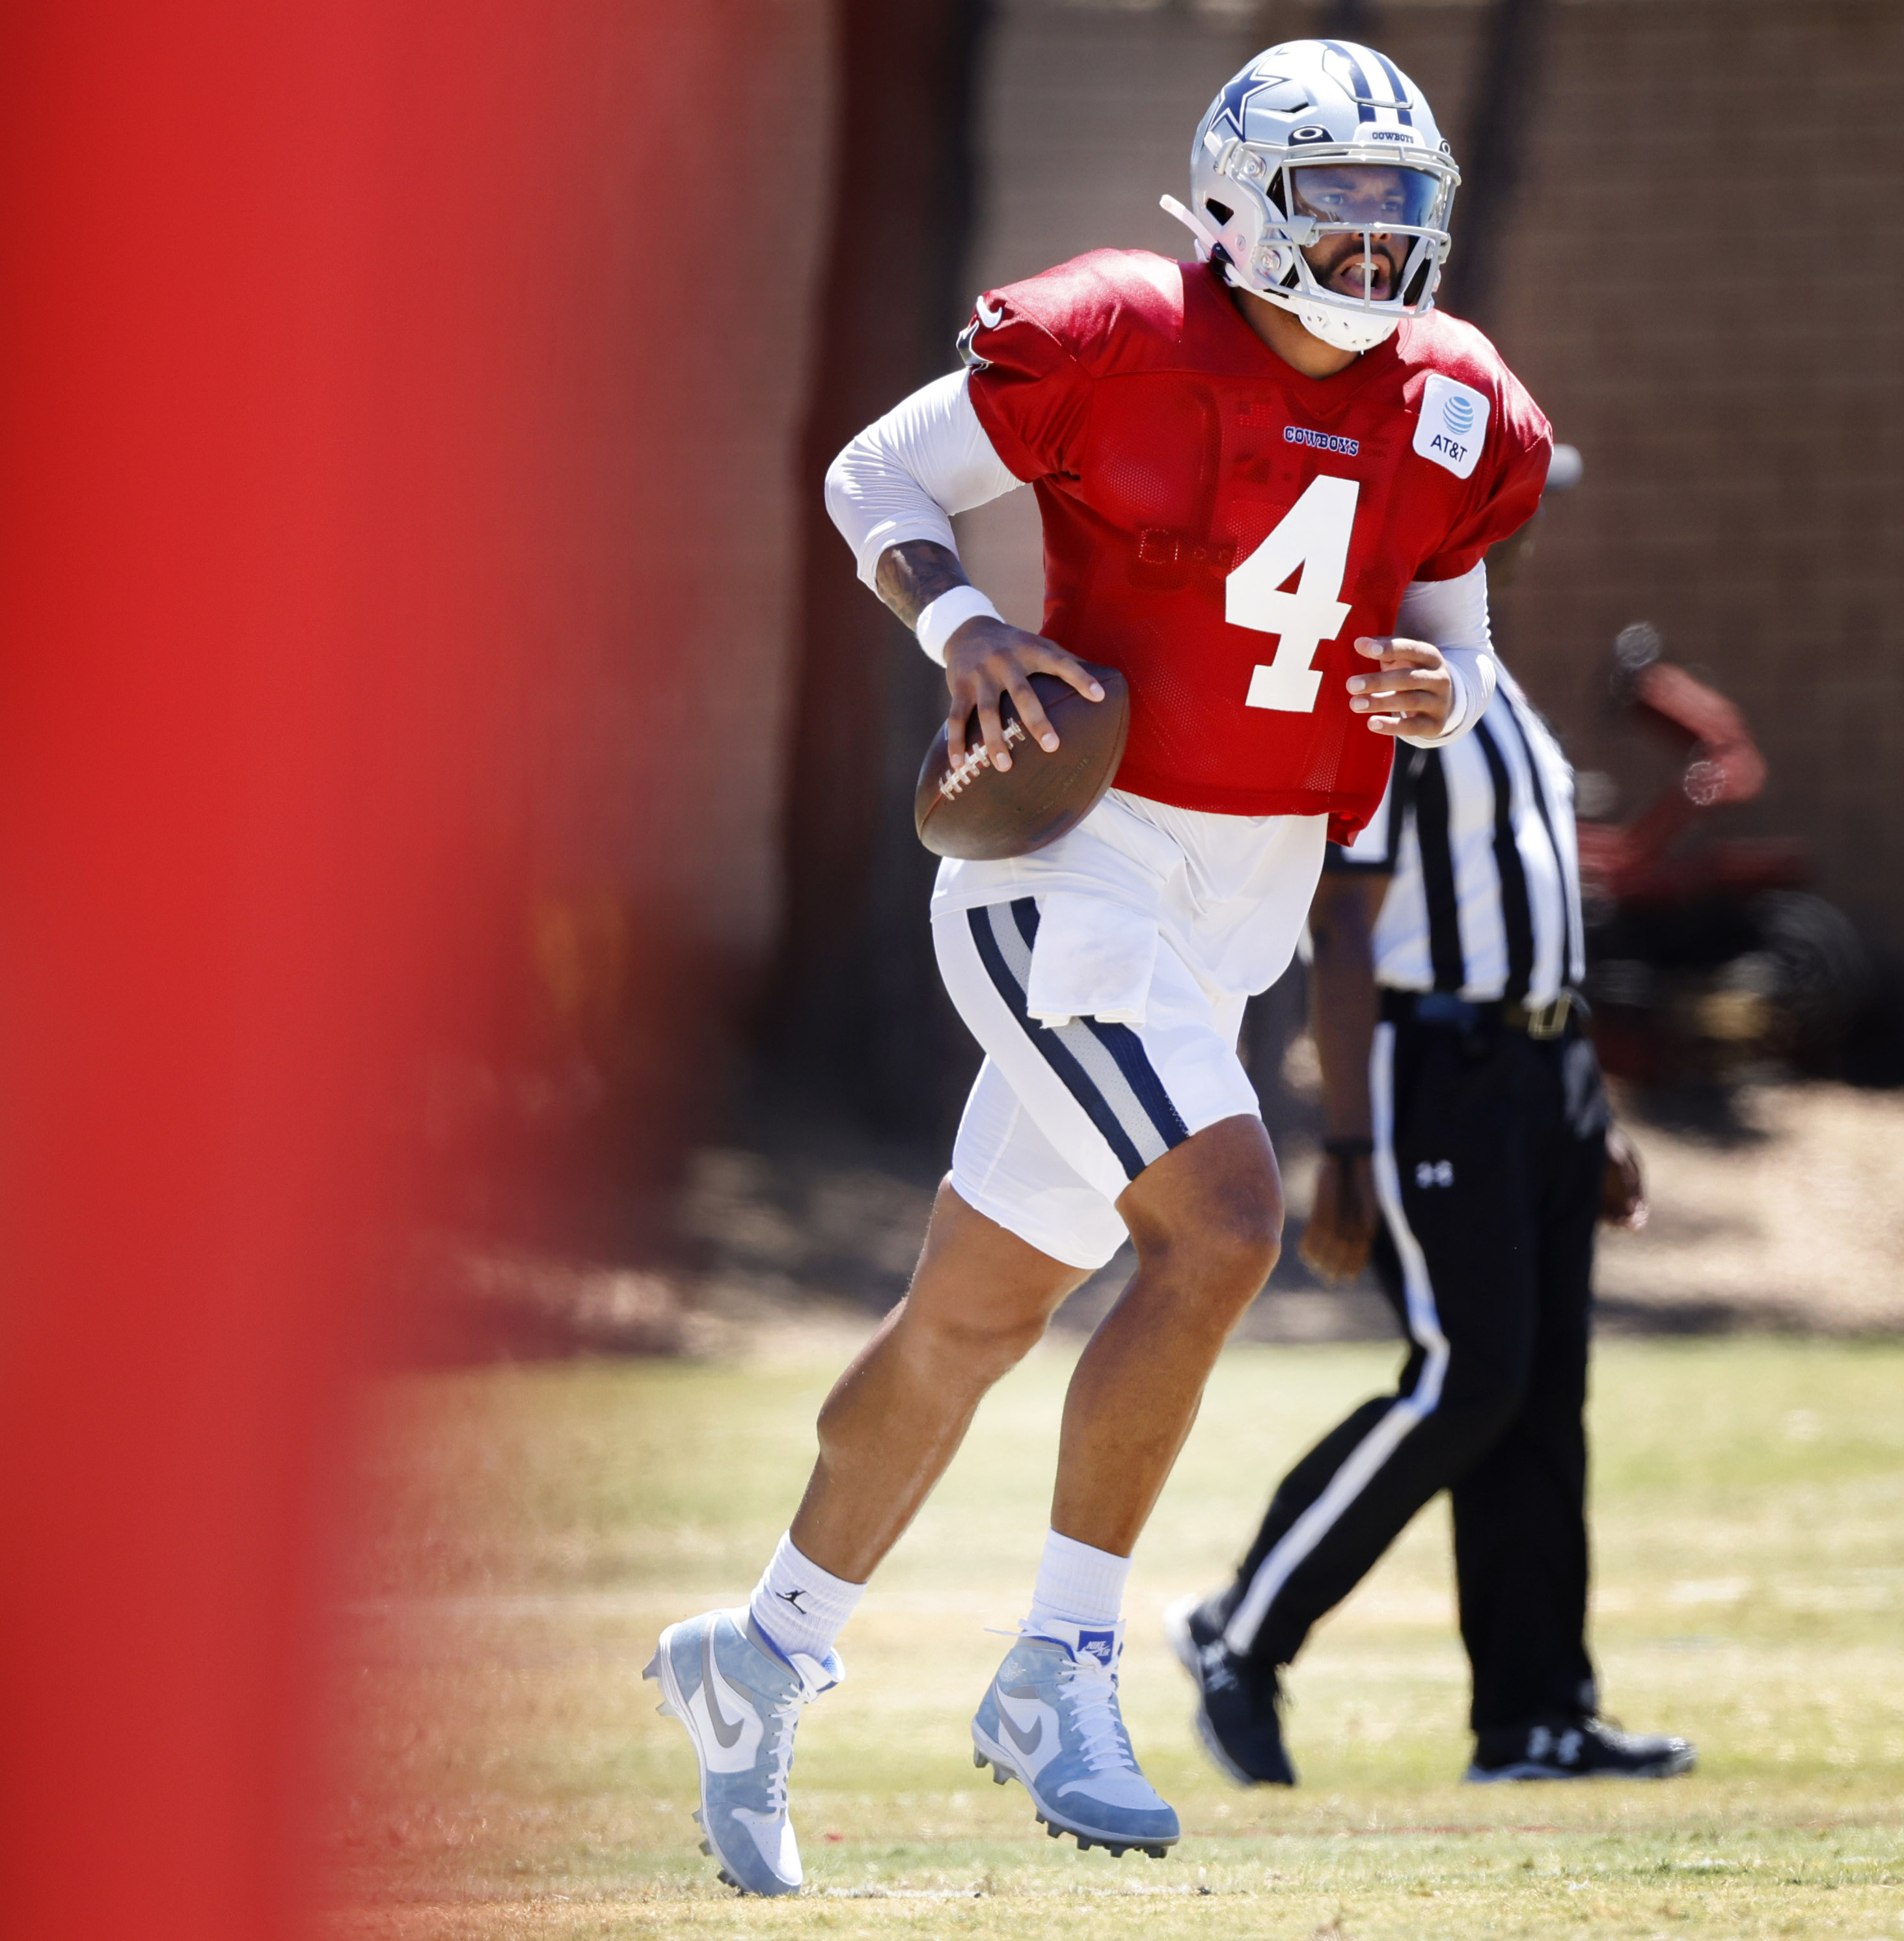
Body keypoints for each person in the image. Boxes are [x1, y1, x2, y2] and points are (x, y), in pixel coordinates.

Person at [647, 39, 1552, 1893]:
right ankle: (1061, 1663)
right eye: (1342, 203)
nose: (1377, 246)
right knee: (1222, 1224)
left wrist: (1434, 689)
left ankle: (760, 1658)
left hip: (1236, 905)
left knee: (964, 1324)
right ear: (1239, 204)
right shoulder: (1121, 332)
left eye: (1402, 210)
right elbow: (872, 475)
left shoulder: (1457, 405)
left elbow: (1454, 647)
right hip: (1072, 869)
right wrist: (968, 623)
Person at [1162, 671, 1698, 1786]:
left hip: (1544, 1064)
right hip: (1439, 1068)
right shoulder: (1394, 689)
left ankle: (1535, 1720)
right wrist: (1349, 1145)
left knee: (1542, 1394)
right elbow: (1343, 920)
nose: (1523, 517)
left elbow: (1531, 923)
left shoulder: (1500, 683)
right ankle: (1241, 1628)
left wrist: (1586, 1108)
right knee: (1471, 1378)